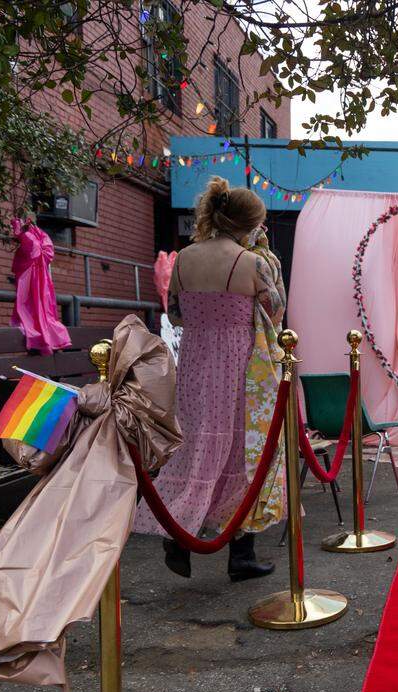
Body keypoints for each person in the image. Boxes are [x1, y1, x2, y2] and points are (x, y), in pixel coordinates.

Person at [132, 176, 287, 582]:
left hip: (196, 363)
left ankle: (180, 535)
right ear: (250, 224)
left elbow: (176, 314)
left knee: (197, 447)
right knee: (241, 452)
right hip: (240, 366)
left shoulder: (184, 258)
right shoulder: (252, 262)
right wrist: (267, 264)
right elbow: (276, 312)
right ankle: (241, 554)